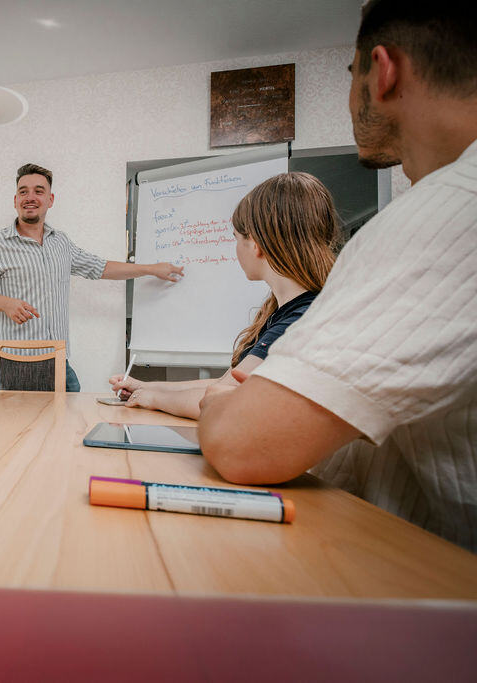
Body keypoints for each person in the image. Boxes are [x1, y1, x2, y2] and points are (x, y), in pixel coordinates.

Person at [198, 0, 477, 551]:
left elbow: (244, 444)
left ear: (384, 70)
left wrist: (219, 406)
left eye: (351, 75)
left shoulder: (446, 213)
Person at [109, 172, 340, 419]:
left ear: (255, 245)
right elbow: (224, 382)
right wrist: (145, 387)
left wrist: (155, 398)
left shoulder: (298, 320)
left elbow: (221, 398)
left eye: (236, 238)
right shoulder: (288, 311)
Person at [0, 163, 184, 391]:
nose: (30, 197)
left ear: (50, 200)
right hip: (17, 365)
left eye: (38, 191)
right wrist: (5, 303)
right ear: (15, 200)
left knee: (75, 423)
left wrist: (151, 269)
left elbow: (101, 267)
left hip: (59, 360)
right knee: (24, 427)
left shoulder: (61, 242)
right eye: (23, 191)